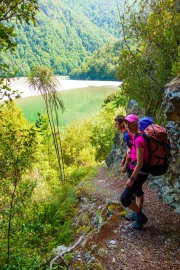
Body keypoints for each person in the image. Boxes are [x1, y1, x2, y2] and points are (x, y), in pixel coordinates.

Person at [120, 114, 149, 229]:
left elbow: (140, 163)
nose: (127, 125)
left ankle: (140, 217)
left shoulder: (139, 139)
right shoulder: (134, 136)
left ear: (136, 124)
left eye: (130, 123)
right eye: (126, 123)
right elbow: (134, 157)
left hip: (139, 174)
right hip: (136, 172)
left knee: (124, 198)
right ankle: (137, 215)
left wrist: (132, 179)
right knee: (138, 192)